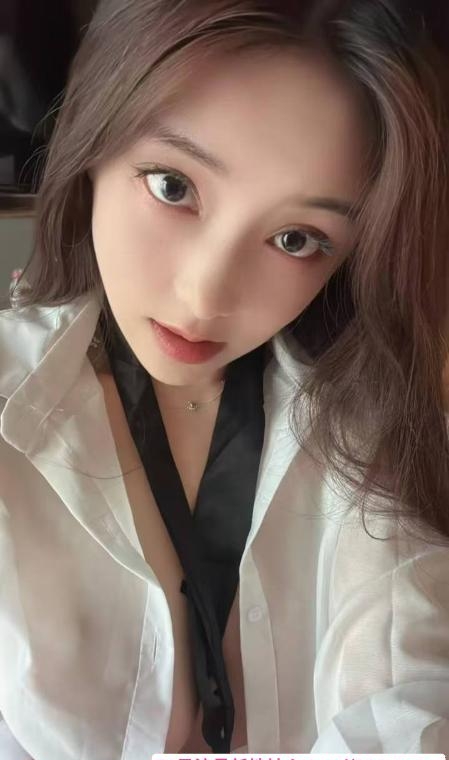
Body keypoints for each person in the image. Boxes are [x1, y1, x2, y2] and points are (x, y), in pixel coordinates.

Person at [1, 0, 449, 757]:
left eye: (295, 238)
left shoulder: (375, 430)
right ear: (94, 143)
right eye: (173, 187)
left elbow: (413, 688)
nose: (205, 294)